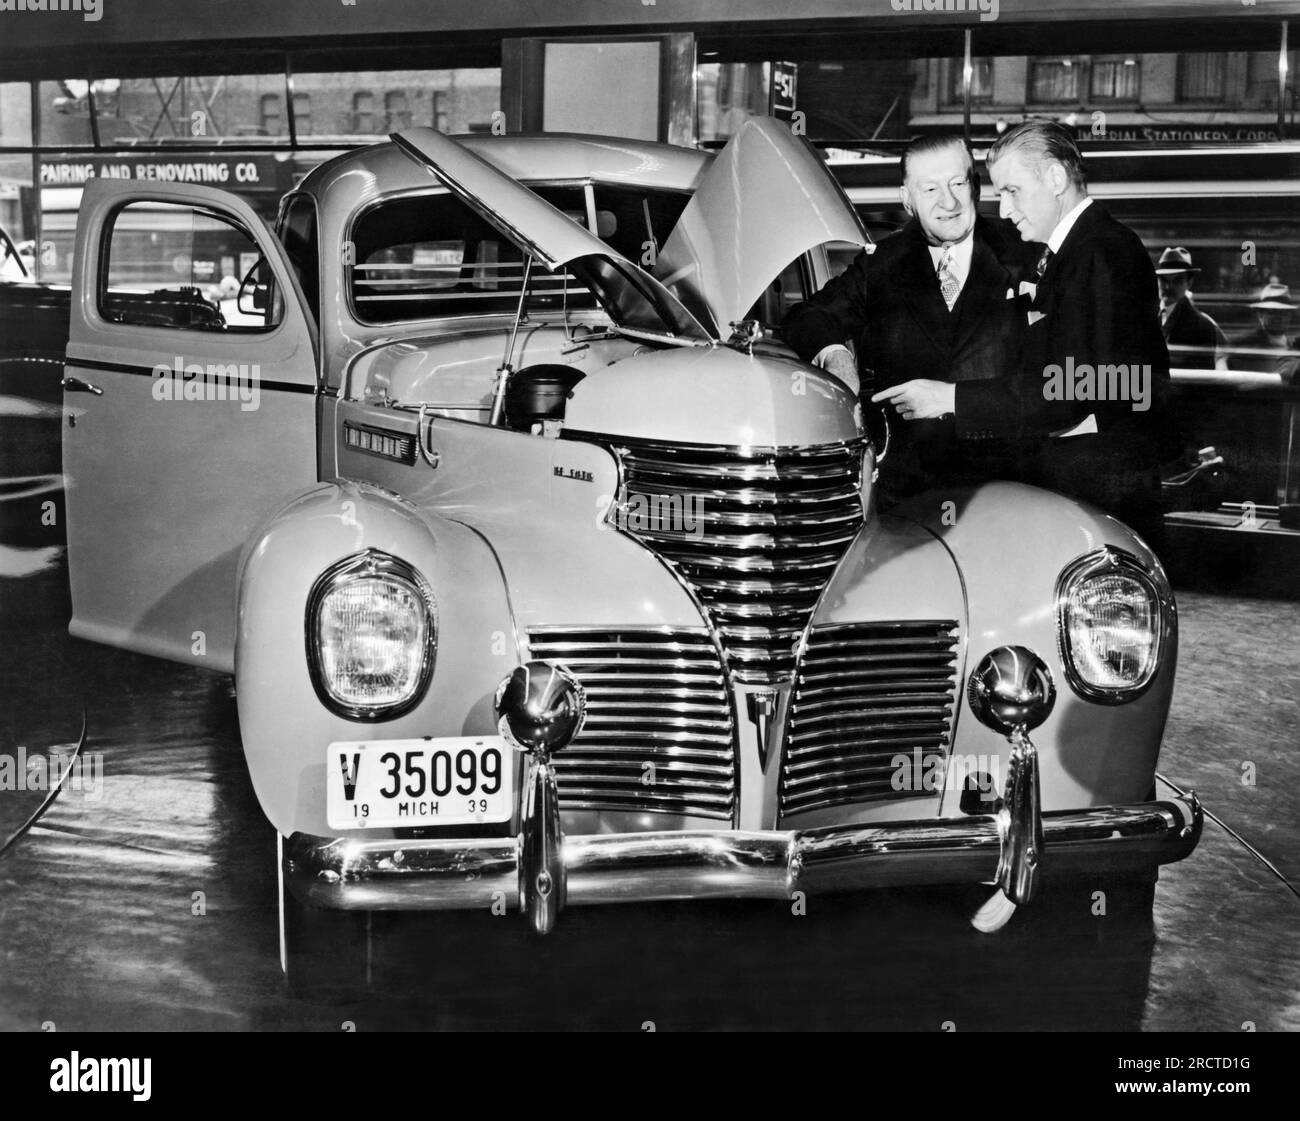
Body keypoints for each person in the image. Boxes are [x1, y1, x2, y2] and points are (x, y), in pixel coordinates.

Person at [876, 120, 1178, 546]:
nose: (1003, 210)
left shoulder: (1099, 252)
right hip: (1093, 485)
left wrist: (950, 398)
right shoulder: (1078, 251)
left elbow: (1077, 389)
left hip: (1100, 493)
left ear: (1056, 178)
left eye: (1012, 191)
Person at [783, 134, 1034, 499]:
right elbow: (806, 316)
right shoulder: (883, 263)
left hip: (1009, 488)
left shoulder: (1026, 249)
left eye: (957, 183)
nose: (947, 202)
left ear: (976, 187)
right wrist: (835, 352)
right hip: (908, 493)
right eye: (930, 189)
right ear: (907, 199)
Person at [1156, 246, 1227, 371]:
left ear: (1189, 283)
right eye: (1163, 280)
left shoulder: (1203, 326)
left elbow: (1201, 379)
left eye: (1177, 281)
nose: (1168, 286)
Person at [1229, 282, 1299, 382]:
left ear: (1290, 316)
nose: (1279, 317)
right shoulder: (1242, 345)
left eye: (1284, 312)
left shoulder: (1294, 346)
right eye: (1273, 312)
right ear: (1260, 314)